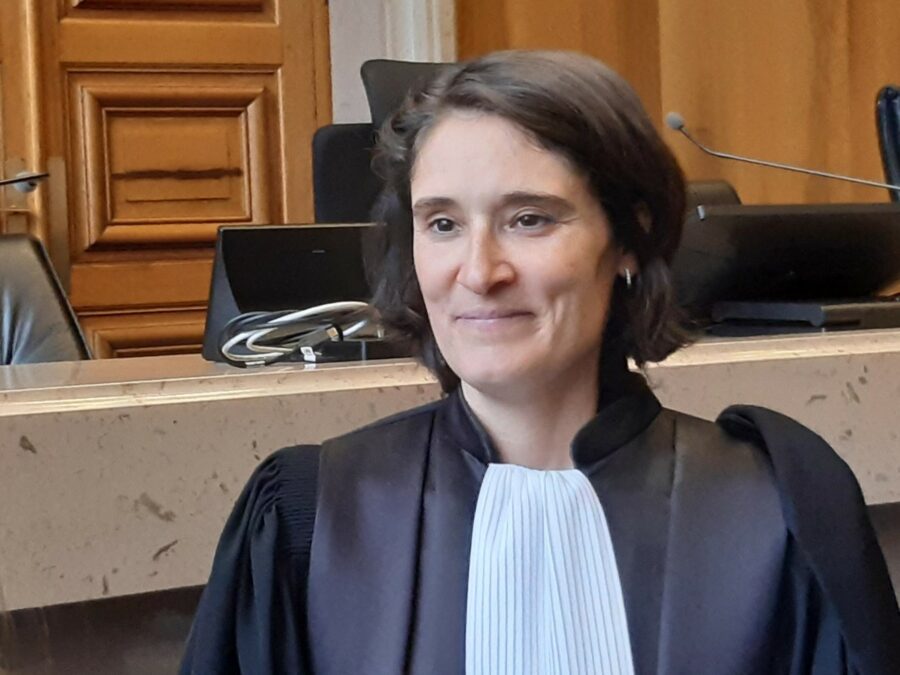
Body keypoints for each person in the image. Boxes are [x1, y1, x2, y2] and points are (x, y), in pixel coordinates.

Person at [180, 51, 899, 674]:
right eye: (442, 223)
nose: (478, 271)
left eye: (529, 219)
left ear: (630, 238)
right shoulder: (311, 517)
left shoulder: (775, 507)